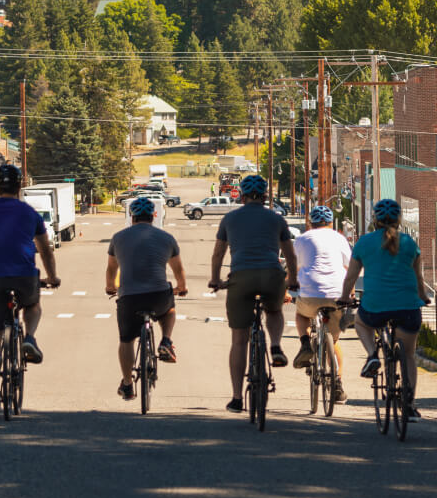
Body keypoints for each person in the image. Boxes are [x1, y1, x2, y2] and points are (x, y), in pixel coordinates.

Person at [0, 163, 62, 409]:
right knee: (32, 305)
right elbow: (45, 249)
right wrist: (52, 277)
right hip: (24, 276)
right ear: (20, 186)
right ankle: (30, 337)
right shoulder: (30, 213)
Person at [207, 174, 300, 414]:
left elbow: (218, 255)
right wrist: (292, 280)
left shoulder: (229, 219)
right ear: (266, 196)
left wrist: (216, 280)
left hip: (241, 277)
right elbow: (290, 255)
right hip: (271, 275)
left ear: (242, 196)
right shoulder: (277, 219)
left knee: (239, 340)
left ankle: (237, 397)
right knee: (274, 310)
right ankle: (277, 346)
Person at [339, 198, 428, 420]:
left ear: (374, 220)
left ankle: (371, 355)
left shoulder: (364, 243)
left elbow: (351, 276)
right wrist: (424, 297)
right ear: (399, 220)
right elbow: (419, 277)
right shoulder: (409, 242)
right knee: (408, 355)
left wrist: (343, 298)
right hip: (408, 307)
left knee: (361, 322)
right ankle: (409, 405)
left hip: (375, 306)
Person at [106, 196, 189, 401]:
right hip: (158, 295)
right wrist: (182, 287)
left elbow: (111, 269)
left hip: (129, 297)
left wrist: (110, 287)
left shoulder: (118, 238)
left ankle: (127, 384)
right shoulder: (166, 238)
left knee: (126, 340)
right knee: (169, 309)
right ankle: (166, 341)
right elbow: (178, 269)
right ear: (154, 216)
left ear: (131, 216)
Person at [290, 205, 351, 402]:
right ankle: (338, 385)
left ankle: (305, 343)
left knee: (301, 314)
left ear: (311, 223)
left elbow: (293, 266)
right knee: (334, 341)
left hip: (310, 293)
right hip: (337, 294)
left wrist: (285, 290)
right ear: (331, 223)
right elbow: (349, 267)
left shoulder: (302, 239)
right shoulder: (339, 238)